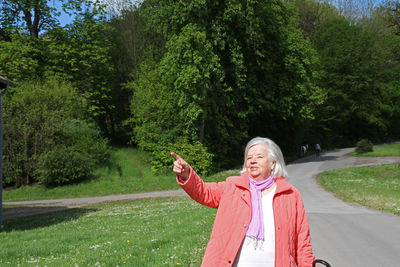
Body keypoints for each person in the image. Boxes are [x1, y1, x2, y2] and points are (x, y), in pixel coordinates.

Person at [171, 137, 315, 267]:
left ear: (273, 164)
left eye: (259, 157)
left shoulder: (290, 195)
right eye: (249, 157)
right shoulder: (232, 187)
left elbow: (302, 243)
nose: (252, 161)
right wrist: (187, 174)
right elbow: (203, 192)